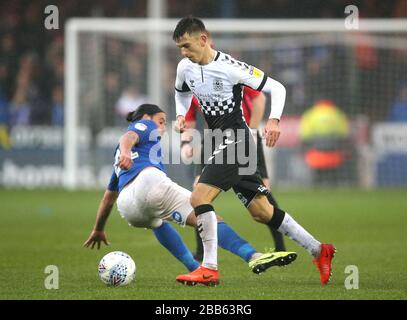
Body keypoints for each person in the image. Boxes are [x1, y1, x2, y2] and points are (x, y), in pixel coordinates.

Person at [173, 16, 335, 286]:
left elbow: (277, 88)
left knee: (199, 195)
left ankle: (209, 268)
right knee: (262, 211)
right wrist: (180, 115)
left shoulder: (229, 67)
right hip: (219, 142)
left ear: (203, 39)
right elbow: (180, 93)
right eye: (180, 48)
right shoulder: (184, 67)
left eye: (187, 46)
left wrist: (273, 120)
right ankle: (319, 250)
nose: (184, 53)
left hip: (238, 140)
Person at [84, 104, 297, 286]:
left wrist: (98, 228)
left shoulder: (117, 164)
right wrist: (125, 151)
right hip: (148, 183)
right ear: (147, 118)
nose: (163, 127)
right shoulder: (144, 125)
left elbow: (108, 198)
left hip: (128, 209)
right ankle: (253, 256)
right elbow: (129, 136)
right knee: (207, 215)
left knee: (157, 222)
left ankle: (194, 267)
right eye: (161, 121)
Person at [182, 89, 286, 261]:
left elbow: (260, 97)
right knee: (198, 191)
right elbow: (189, 120)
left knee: (263, 192)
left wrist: (252, 129)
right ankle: (201, 251)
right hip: (213, 139)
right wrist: (185, 143)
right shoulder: (193, 87)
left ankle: (280, 246)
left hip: (243, 136)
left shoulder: (230, 75)